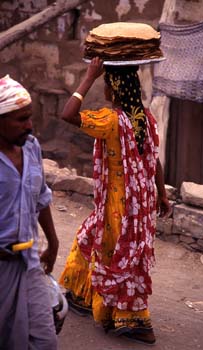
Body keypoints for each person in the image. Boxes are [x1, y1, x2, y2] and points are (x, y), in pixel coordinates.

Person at [59, 57, 170, 345]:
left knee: (118, 258)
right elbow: (153, 159)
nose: (104, 89)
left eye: (107, 84)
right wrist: (163, 193)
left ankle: (135, 320)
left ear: (114, 88)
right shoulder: (144, 118)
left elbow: (68, 114)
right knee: (90, 240)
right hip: (138, 205)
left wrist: (88, 78)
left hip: (118, 209)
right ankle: (84, 296)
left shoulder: (110, 122)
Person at [0, 75, 59, 350]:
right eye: (21, 119)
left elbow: (40, 196)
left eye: (30, 117)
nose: (30, 125)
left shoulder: (31, 147)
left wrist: (53, 240)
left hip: (29, 261)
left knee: (44, 341)